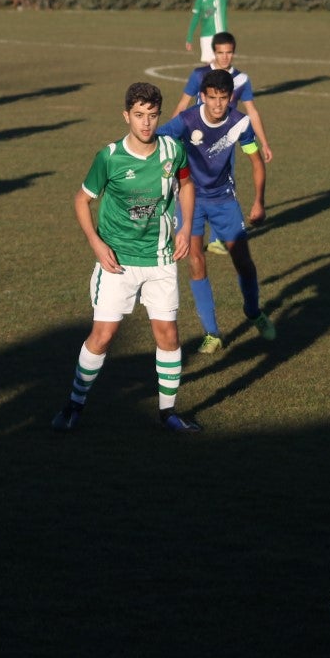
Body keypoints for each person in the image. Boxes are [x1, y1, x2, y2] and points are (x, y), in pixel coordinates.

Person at [52, 82, 200, 434]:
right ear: (126, 116)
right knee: (102, 336)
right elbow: (81, 200)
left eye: (151, 116)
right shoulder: (110, 157)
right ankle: (74, 405)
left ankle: (167, 413)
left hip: (160, 258)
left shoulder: (173, 150)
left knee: (168, 335)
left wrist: (186, 227)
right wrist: (96, 243)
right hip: (117, 261)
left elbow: (187, 185)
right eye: (138, 116)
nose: (146, 124)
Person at [156, 68, 275, 354]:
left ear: (230, 97)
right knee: (196, 261)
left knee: (243, 262)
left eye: (223, 98)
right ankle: (212, 332)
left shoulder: (240, 123)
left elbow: (256, 163)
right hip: (189, 199)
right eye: (212, 98)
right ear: (203, 97)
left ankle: (253, 310)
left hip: (224, 200)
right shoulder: (186, 120)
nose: (218, 104)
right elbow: (156, 139)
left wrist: (259, 201)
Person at [170, 31, 272, 164]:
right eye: (220, 53)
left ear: (233, 52)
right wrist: (170, 138)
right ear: (214, 52)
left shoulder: (242, 79)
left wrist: (264, 143)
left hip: (224, 139)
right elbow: (183, 105)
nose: (225, 57)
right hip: (198, 134)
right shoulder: (199, 74)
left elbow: (252, 111)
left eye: (228, 52)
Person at [184, 0, 234, 64]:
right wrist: (189, 37)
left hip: (221, 35)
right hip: (207, 36)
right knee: (210, 67)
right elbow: (195, 17)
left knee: (222, 65)